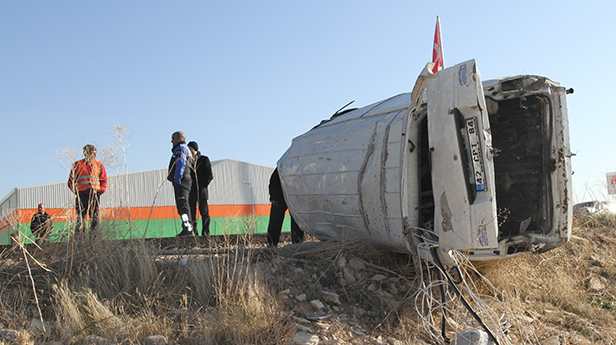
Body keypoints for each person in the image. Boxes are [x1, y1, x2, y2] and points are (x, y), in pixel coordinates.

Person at [68, 144, 107, 235]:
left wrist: (99, 191)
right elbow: (70, 182)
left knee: (95, 218)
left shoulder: (99, 165)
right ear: (85, 153)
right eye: (88, 152)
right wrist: (76, 192)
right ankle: (79, 240)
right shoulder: (77, 165)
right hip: (81, 195)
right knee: (80, 219)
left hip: (94, 195)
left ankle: (93, 240)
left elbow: (104, 180)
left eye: (93, 152)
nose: (91, 154)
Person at [266, 168, 304, 247]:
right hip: (281, 196)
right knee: (277, 221)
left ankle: (296, 244)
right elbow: (273, 182)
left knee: (293, 222)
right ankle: (273, 244)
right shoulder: (283, 168)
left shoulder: (283, 167)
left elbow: (272, 182)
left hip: (290, 196)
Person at [168, 131, 195, 237]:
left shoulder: (181, 149)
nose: (171, 141)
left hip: (182, 181)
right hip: (182, 180)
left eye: (173, 138)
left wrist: (177, 177)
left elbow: (181, 162)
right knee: (181, 207)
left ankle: (188, 229)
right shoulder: (181, 149)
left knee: (183, 206)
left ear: (179, 138)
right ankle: (186, 227)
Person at [187, 141, 213, 236]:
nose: (188, 151)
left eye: (190, 149)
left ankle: (206, 232)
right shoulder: (188, 161)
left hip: (202, 191)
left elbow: (209, 175)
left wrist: (202, 185)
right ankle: (193, 232)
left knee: (204, 213)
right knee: (191, 213)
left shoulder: (204, 159)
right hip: (191, 192)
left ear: (194, 149)